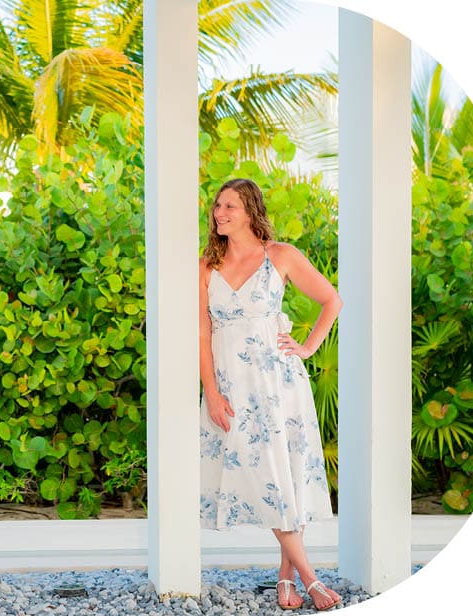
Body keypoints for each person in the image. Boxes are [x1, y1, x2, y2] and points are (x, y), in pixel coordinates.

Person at [199, 178, 343, 611]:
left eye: (229, 206)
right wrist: (211, 390)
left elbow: (331, 300)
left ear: (250, 211)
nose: (219, 213)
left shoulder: (280, 256)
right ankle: (311, 579)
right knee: (268, 477)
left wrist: (308, 347)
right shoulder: (207, 263)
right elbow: (202, 331)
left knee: (285, 477)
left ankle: (289, 580)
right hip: (233, 388)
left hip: (279, 385)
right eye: (217, 206)